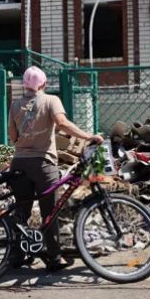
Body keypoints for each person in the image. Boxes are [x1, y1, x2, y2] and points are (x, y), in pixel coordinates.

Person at [7, 66, 104, 271]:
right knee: (49, 211)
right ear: (43, 84)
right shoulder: (51, 100)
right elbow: (62, 123)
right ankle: (53, 257)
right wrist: (88, 136)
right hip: (44, 163)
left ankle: (17, 254)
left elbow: (13, 137)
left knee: (21, 209)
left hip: (20, 162)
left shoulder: (15, 104)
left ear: (25, 84)